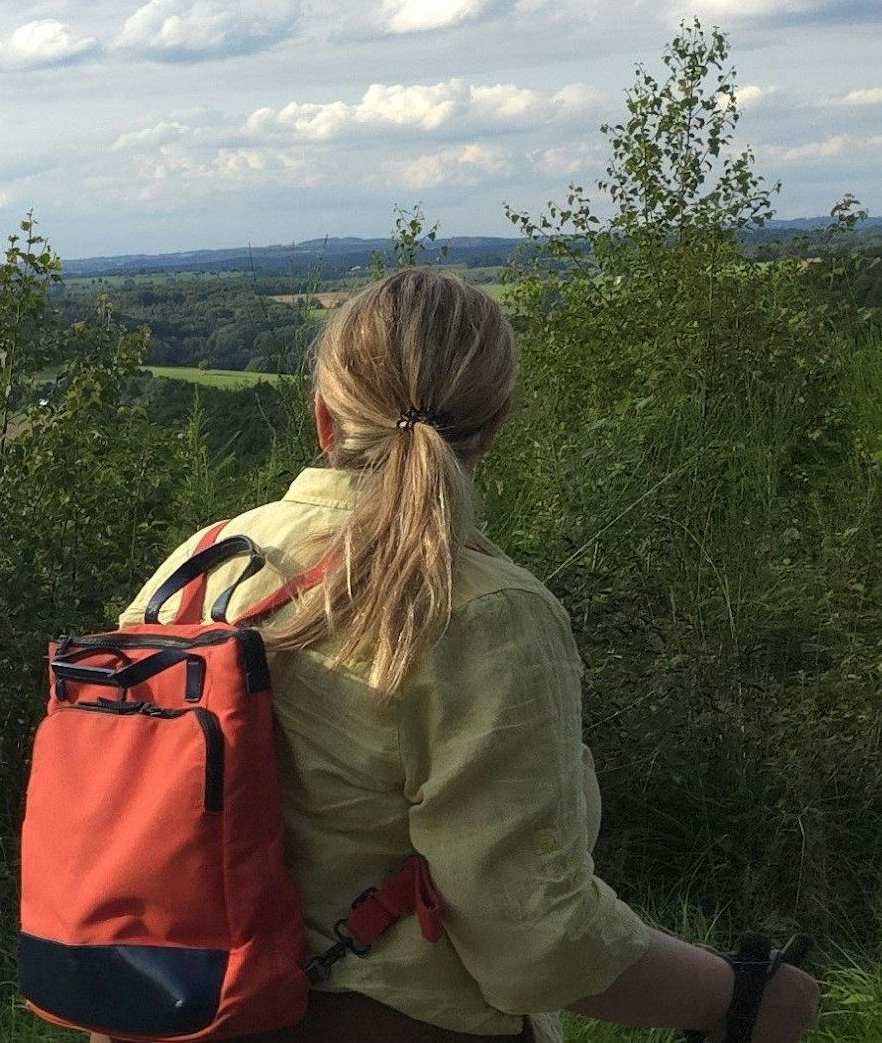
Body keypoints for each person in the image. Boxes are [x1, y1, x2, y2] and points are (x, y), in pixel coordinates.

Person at [100, 270, 818, 1043]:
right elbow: (536, 942)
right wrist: (739, 996)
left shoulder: (200, 565)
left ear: (322, 418)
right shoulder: (482, 611)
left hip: (168, 1012)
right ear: (495, 424)